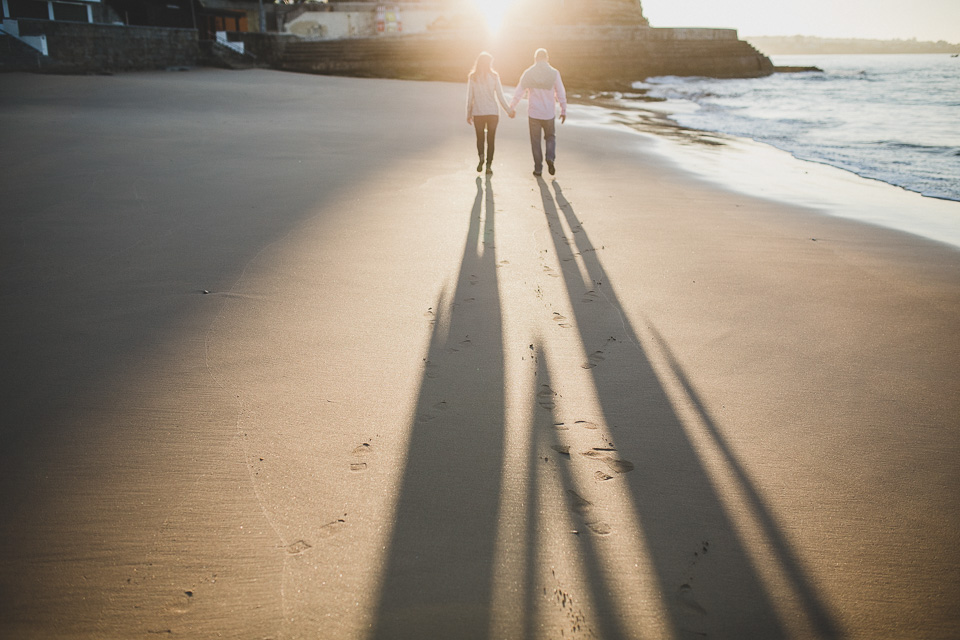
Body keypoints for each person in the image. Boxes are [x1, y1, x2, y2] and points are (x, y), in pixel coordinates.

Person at [510, 48, 567, 177]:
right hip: (548, 113)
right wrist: (563, 109)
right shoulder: (554, 73)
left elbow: (519, 91)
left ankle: (538, 169)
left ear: (535, 58)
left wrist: (512, 106)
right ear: (547, 58)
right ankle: (550, 158)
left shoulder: (529, 73)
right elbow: (560, 92)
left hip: (534, 113)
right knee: (550, 137)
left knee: (535, 141)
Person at [466, 52, 515, 175]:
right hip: (493, 113)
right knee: (491, 140)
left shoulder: (473, 77)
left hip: (478, 112)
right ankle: (488, 165)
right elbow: (500, 96)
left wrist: (468, 113)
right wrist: (509, 111)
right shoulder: (494, 76)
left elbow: (470, 97)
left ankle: (481, 157)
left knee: (480, 138)